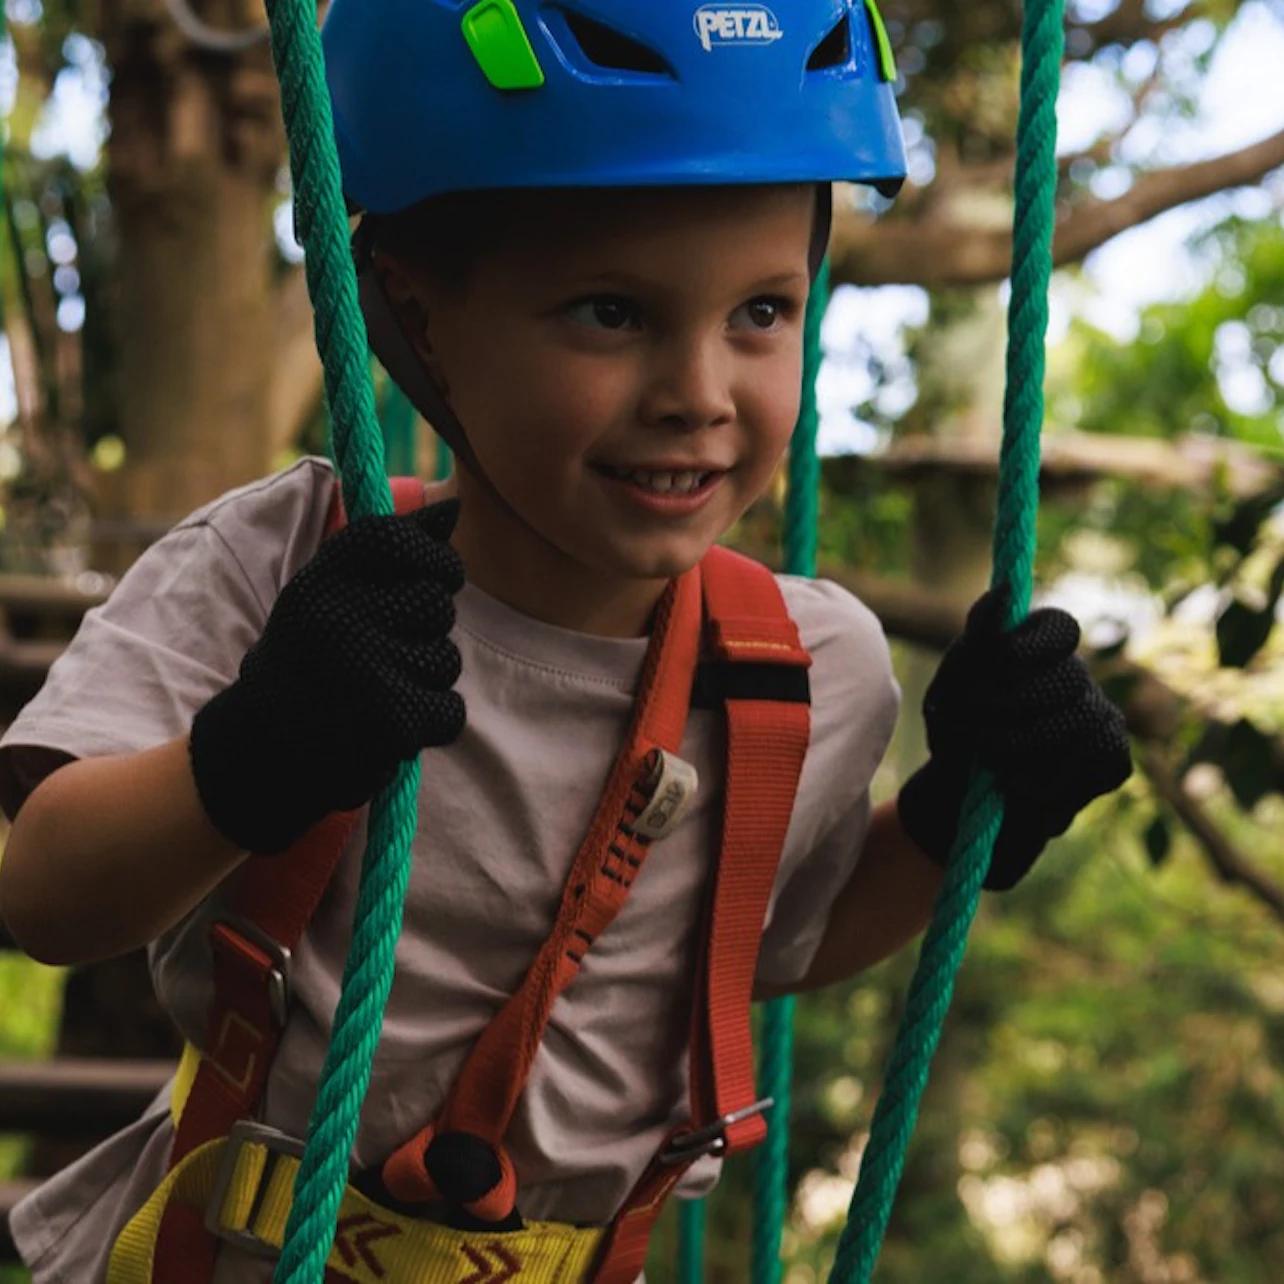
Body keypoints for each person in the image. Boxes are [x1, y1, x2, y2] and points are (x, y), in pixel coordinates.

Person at [0, 2, 1132, 1281]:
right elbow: (45, 893)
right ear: (418, 321)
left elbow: (774, 947)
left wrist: (949, 825)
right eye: (610, 311)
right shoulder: (287, 569)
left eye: (762, 312)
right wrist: (250, 756)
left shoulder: (803, 668)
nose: (699, 392)